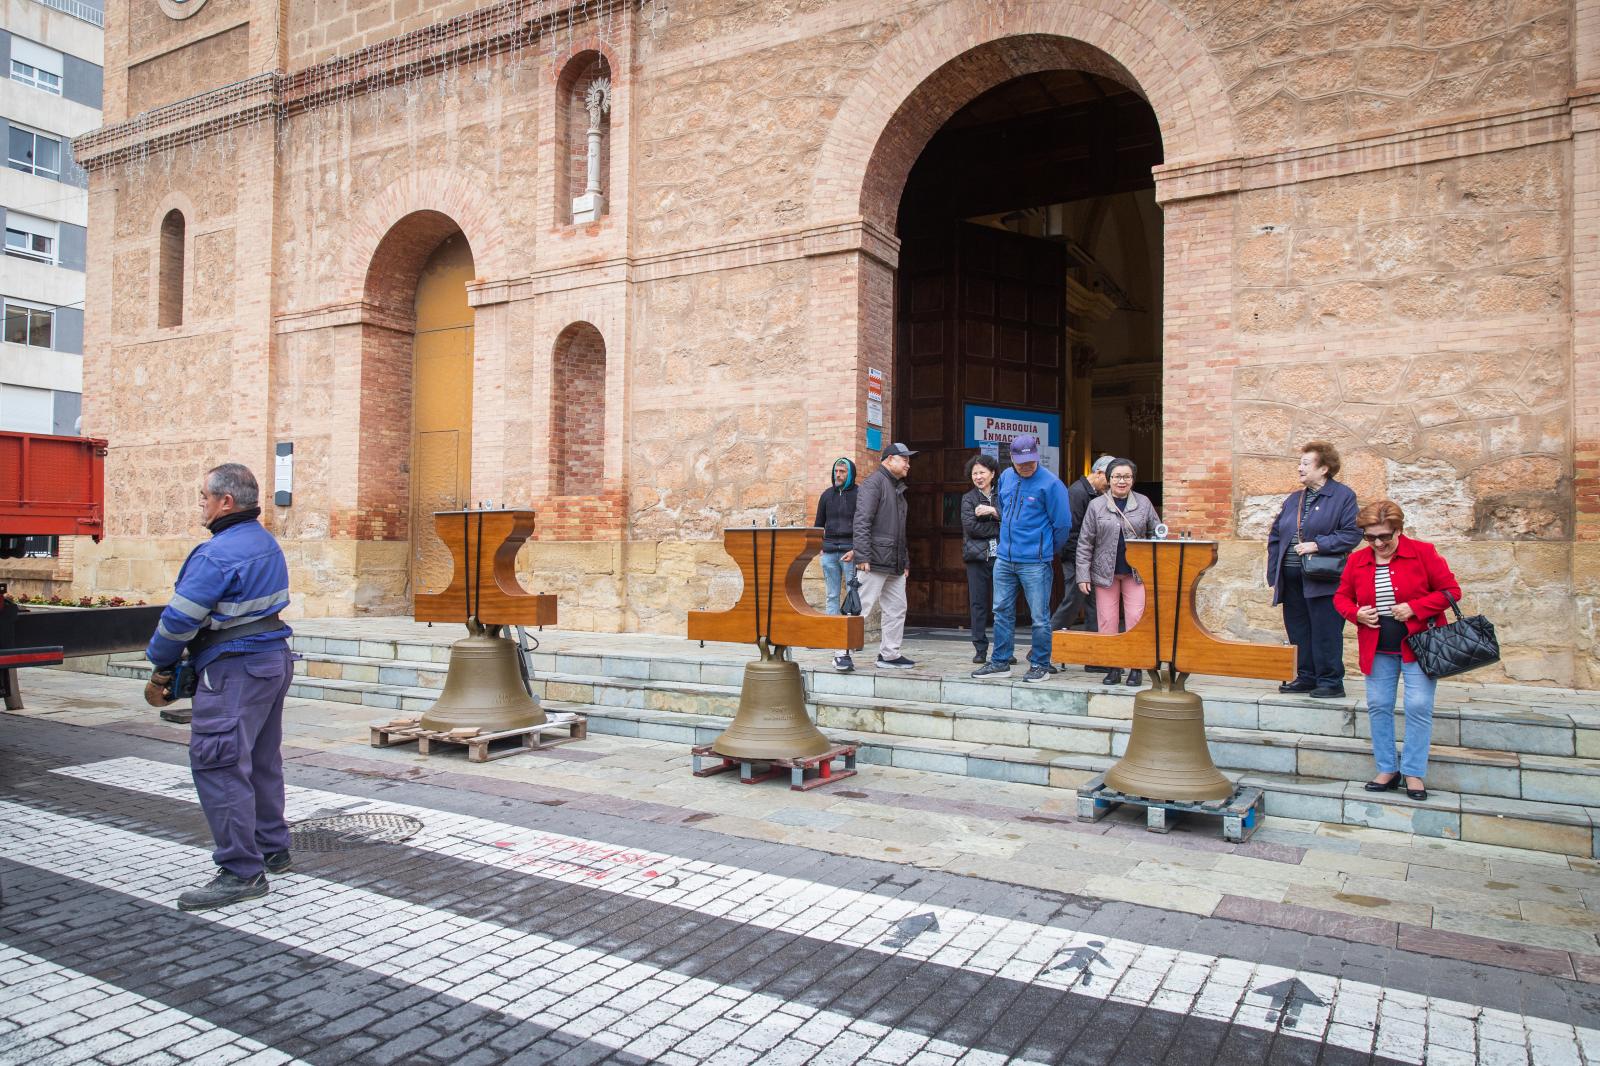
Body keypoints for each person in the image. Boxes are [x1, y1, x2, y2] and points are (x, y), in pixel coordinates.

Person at [144, 463, 295, 911]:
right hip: (271, 660)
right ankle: (272, 847)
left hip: (233, 669)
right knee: (261, 759)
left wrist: (160, 665)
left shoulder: (216, 554)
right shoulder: (266, 544)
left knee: (219, 762)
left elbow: (178, 620)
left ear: (225, 502)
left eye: (204, 497)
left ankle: (241, 872)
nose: (201, 505)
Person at [1333, 499, 1460, 801]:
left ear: (1398, 531)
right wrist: (1356, 614)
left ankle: (1413, 772)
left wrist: (1415, 608)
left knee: (1417, 706)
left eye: (1385, 537)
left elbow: (1451, 591)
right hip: (1377, 648)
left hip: (1420, 646)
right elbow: (1341, 597)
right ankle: (1387, 769)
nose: (1378, 543)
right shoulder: (1357, 560)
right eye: (1370, 537)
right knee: (1378, 706)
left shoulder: (1423, 553)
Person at [973, 434, 1072, 683]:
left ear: (1036, 456)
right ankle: (1000, 661)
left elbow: (1062, 525)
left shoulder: (1051, 484)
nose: (1026, 466)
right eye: (1021, 462)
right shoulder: (1006, 477)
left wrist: (1045, 549)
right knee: (1001, 611)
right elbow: (1004, 510)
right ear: (1012, 460)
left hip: (1035, 561)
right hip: (1005, 558)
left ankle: (1040, 664)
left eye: (1030, 461)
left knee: (1039, 616)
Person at [1267, 440, 1361, 698]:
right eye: (1300, 463)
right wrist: (1274, 572)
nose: (1300, 468)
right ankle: (1306, 677)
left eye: (1306, 464)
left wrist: (1318, 545)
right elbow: (1275, 535)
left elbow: (1352, 534)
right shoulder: (1294, 499)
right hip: (1291, 578)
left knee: (1326, 630)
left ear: (1324, 469)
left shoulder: (1343, 496)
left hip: (1323, 578)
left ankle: (1330, 681)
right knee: (1298, 629)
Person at [1075, 458, 1161, 687]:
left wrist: (1152, 562)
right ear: (1109, 479)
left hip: (1136, 572)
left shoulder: (1143, 503)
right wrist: (1083, 575)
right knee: (1107, 621)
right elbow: (1085, 542)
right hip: (1105, 573)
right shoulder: (1096, 506)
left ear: (1132, 479)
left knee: (1135, 619)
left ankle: (1136, 667)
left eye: (1127, 477)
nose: (1121, 481)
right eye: (1117, 477)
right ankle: (1113, 666)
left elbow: (1157, 533)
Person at [836, 443, 916, 671]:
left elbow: (900, 530)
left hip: (895, 562)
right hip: (873, 560)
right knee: (859, 608)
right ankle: (841, 653)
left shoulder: (897, 487)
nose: (908, 465)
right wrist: (862, 554)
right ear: (890, 459)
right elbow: (862, 521)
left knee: (897, 609)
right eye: (905, 460)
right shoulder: (874, 484)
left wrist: (905, 560)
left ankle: (889, 654)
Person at [1051, 455, 1115, 663]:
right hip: (1076, 559)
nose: (1110, 485)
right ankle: (1043, 648)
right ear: (1098, 473)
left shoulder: (1094, 493)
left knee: (1094, 605)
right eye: (1109, 479)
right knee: (1072, 601)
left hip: (1089, 559)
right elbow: (1071, 531)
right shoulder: (1077, 493)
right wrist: (1079, 563)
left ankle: (1093, 656)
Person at [959, 453, 1001, 664]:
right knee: (978, 604)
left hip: (1002, 558)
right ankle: (980, 649)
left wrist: (993, 511)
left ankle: (1004, 649)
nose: (978, 477)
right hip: (977, 558)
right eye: (975, 473)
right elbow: (971, 528)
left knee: (1002, 604)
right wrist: (997, 523)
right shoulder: (968, 498)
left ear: (992, 473)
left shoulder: (1002, 495)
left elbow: (1011, 520)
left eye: (982, 472)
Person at [814, 457, 858, 615]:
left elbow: (865, 525)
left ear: (850, 474)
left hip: (850, 552)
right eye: (836, 471)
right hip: (829, 552)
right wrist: (819, 546)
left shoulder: (859, 494)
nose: (838, 475)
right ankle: (832, 633)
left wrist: (857, 549)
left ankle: (850, 634)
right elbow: (818, 525)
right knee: (832, 595)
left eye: (842, 472)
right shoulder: (826, 495)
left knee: (854, 594)